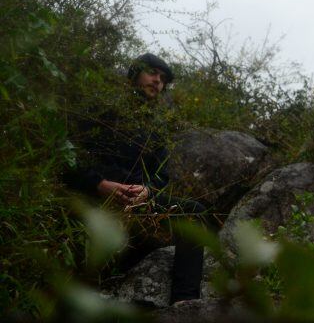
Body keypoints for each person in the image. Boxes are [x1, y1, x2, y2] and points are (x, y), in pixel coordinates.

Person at [66, 53, 209, 305]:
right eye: (152, 73)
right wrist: (99, 184)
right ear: (135, 74)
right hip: (97, 194)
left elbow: (162, 177)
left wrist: (148, 192)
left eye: (163, 79)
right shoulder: (103, 110)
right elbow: (69, 158)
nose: (158, 81)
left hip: (139, 201)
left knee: (194, 213)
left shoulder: (155, 128)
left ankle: (185, 305)